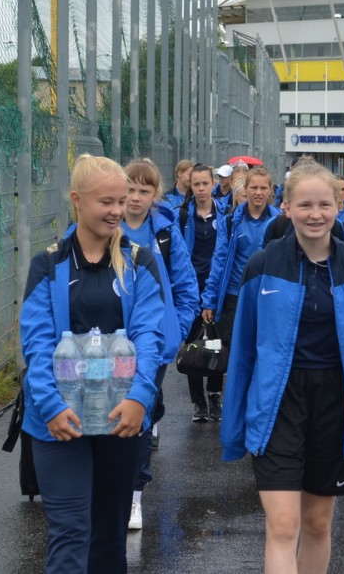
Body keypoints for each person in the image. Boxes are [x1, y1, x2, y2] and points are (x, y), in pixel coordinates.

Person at [220, 162, 344, 574]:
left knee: (318, 524)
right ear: (286, 207)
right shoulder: (262, 266)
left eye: (324, 204)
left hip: (333, 408)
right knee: (283, 525)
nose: (315, 214)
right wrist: (234, 428)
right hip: (277, 405)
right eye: (304, 204)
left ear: (339, 206)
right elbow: (243, 354)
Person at [19, 154, 166, 572]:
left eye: (122, 200)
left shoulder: (139, 261)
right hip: (61, 422)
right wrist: (51, 406)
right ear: (77, 201)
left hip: (121, 419)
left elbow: (150, 338)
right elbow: (37, 344)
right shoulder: (48, 265)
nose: (118, 210)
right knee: (69, 534)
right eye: (107, 202)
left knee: (109, 540)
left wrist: (139, 399)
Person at [121, 158, 198, 530]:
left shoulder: (166, 233)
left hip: (153, 341)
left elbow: (185, 286)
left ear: (155, 194)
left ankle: (134, 496)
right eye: (130, 189)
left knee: (140, 411)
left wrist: (176, 329)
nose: (136, 197)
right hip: (112, 341)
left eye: (144, 190)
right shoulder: (105, 225)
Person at [201, 167, 280, 376]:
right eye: (254, 187)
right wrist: (209, 299)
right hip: (235, 296)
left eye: (263, 188)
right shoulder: (231, 221)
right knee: (234, 353)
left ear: (270, 190)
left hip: (267, 296)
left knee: (263, 351)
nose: (258, 192)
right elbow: (219, 261)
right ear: (245, 189)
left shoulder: (280, 222)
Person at [178, 163, 226, 422]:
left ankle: (214, 396)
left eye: (205, 183)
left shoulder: (225, 214)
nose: (201, 188)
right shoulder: (183, 216)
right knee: (193, 345)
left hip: (216, 288)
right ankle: (197, 401)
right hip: (190, 290)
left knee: (216, 343)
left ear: (213, 184)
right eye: (196, 184)